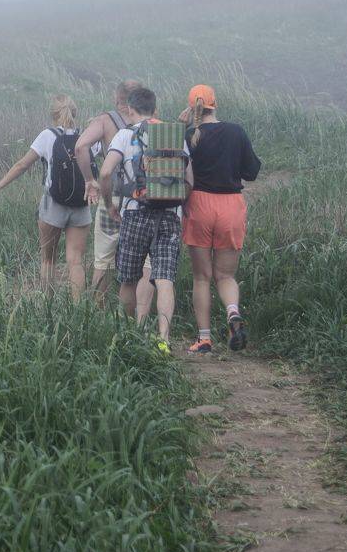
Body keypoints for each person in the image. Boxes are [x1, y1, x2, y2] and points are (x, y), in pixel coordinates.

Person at [96, 86, 183, 354]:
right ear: (155, 109)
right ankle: (163, 340)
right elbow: (189, 180)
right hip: (170, 214)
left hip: (134, 212)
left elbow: (105, 173)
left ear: (130, 109)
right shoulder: (173, 134)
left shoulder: (124, 134)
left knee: (128, 278)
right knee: (164, 278)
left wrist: (110, 205)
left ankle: (127, 336)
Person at [0, 94, 92, 300]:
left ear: (53, 114)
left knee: (48, 260)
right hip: (81, 203)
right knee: (76, 261)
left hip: (53, 204)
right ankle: (79, 311)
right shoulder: (86, 136)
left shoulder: (47, 135)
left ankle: (48, 305)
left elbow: (22, 165)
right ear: (75, 113)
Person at [179, 84, 262, 354]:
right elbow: (251, 172)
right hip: (230, 206)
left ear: (191, 108)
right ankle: (233, 313)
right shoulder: (236, 131)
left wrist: (182, 127)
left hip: (199, 205)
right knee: (225, 275)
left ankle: (204, 339)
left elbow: (178, 168)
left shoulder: (189, 134)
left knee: (202, 277)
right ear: (215, 104)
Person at [76, 80, 155, 311]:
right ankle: (139, 318)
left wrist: (89, 180)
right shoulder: (151, 122)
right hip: (145, 201)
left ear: (117, 98)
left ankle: (98, 313)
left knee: (103, 259)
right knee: (146, 261)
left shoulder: (104, 121)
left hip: (112, 198)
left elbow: (80, 147)